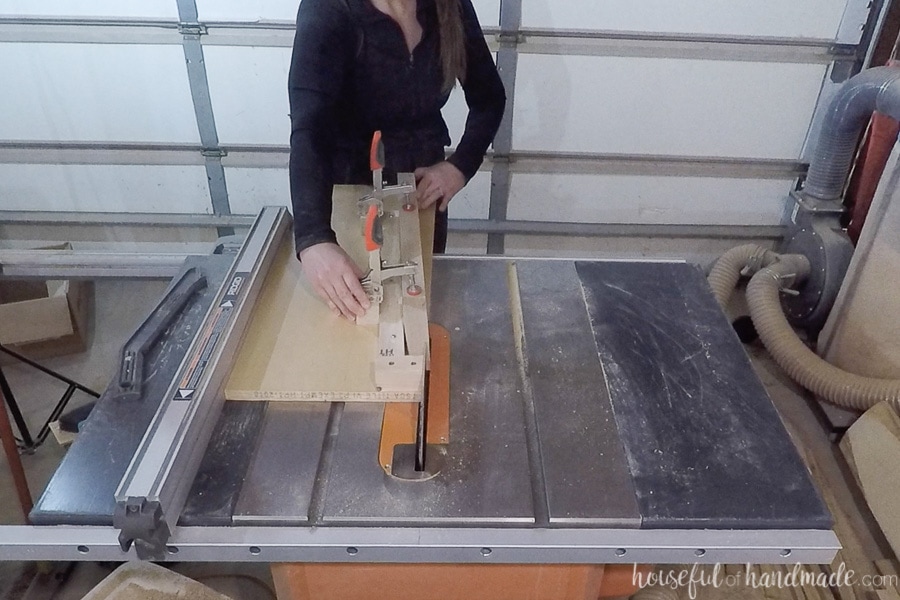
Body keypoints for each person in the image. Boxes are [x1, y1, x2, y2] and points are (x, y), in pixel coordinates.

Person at [288, 0, 505, 319]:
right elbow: (310, 131)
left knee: (417, 314)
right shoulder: (329, 9)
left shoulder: (450, 6)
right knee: (354, 325)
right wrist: (314, 239)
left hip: (421, 198)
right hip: (349, 196)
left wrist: (460, 167)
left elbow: (489, 98)